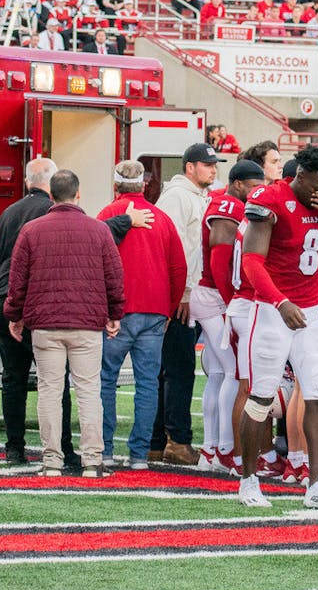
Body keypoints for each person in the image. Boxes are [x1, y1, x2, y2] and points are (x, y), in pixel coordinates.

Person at [0, 158, 149, 465]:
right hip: (67, 316)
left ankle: (20, 449)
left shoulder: (11, 216)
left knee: (18, 381)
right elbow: (112, 271)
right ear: (75, 193)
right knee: (76, 388)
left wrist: (6, 308)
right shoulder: (87, 227)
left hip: (25, 310)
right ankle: (81, 455)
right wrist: (115, 313)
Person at [236, 145, 318, 509]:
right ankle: (248, 481)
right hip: (272, 312)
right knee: (261, 396)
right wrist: (279, 301)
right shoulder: (269, 198)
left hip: (311, 314)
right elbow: (252, 263)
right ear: (300, 175)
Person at [4, 170, 124, 478]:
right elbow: (114, 278)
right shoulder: (99, 231)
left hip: (45, 324)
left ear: (51, 196)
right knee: (87, 391)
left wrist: (14, 315)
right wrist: (115, 313)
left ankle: (52, 461)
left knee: (49, 392)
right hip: (86, 323)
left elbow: (18, 281)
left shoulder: (32, 231)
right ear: (78, 194)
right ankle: (93, 461)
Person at [98, 161, 186, 470]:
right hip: (154, 311)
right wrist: (168, 307)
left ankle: (105, 450)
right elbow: (179, 268)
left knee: (105, 381)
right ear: (145, 185)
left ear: (116, 186)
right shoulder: (161, 218)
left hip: (118, 312)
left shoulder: (108, 215)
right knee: (148, 383)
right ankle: (138, 455)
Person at [151, 143, 227, 465]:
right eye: (207, 164)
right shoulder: (176, 197)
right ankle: (176, 441)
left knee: (174, 370)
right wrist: (180, 291)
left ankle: (159, 441)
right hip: (181, 295)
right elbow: (172, 246)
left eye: (214, 164)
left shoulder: (197, 197)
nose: (213, 169)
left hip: (191, 293)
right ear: (189, 167)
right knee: (178, 370)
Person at [194, 160, 266, 474]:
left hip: (210, 294)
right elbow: (220, 258)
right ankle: (225, 448)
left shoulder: (231, 202)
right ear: (237, 184)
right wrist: (229, 303)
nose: (258, 192)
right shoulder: (227, 205)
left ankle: (211, 449)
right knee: (235, 373)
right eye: (253, 186)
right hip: (214, 295)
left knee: (220, 373)